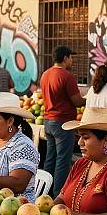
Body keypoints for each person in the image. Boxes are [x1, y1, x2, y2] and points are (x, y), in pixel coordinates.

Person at [40, 46, 86, 197]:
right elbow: (77, 101)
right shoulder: (67, 76)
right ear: (65, 58)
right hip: (63, 123)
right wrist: (88, 99)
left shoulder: (45, 74)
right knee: (62, 161)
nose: (72, 60)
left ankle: (43, 192)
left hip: (48, 121)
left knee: (50, 158)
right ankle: (58, 195)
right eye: (71, 57)